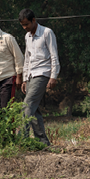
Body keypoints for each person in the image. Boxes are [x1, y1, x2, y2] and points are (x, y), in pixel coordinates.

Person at [18, 8, 59, 146]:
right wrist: (24, 79)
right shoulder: (27, 36)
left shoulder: (47, 33)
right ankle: (42, 142)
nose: (25, 28)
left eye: (27, 24)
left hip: (43, 73)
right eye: (22, 25)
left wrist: (53, 76)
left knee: (27, 105)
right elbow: (27, 59)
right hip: (31, 74)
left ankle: (21, 139)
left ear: (33, 20)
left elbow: (54, 55)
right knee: (34, 110)